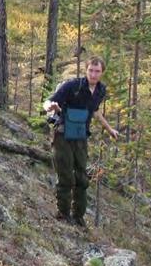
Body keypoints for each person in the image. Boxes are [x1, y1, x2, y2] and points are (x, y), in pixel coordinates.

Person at [43, 56, 119, 228]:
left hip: (81, 137)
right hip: (62, 135)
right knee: (66, 177)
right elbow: (49, 101)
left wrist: (109, 129)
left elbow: (95, 111)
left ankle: (78, 217)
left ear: (102, 73)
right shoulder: (72, 86)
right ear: (86, 70)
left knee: (82, 179)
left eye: (97, 71)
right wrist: (50, 107)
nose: (93, 74)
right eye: (91, 70)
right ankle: (63, 214)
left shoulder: (100, 90)